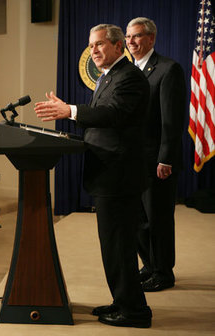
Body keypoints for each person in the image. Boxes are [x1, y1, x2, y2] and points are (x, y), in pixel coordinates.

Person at [34, 23, 151, 328]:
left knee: (119, 246)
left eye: (100, 44)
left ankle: (134, 312)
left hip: (119, 176)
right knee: (114, 246)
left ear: (117, 46)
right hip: (108, 174)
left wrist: (70, 111)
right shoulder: (109, 76)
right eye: (91, 46)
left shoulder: (129, 78)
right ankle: (122, 301)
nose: (94, 50)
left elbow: (112, 115)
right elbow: (100, 122)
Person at [125, 17, 186, 292]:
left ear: (151, 39)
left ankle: (164, 272)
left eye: (136, 36)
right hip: (134, 159)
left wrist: (166, 158)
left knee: (158, 218)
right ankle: (149, 266)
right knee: (138, 218)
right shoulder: (128, 70)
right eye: (127, 37)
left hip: (156, 160)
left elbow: (171, 121)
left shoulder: (168, 69)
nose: (131, 42)